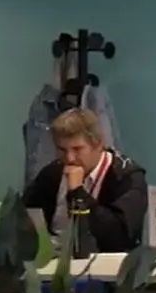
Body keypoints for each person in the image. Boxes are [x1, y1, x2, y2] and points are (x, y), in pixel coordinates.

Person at [22, 108, 148, 254]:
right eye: (62, 150)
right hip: (55, 261)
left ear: (99, 145)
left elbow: (120, 236)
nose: (70, 158)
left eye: (77, 149)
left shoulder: (127, 176)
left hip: (106, 262)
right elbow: (25, 213)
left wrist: (77, 193)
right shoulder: (52, 173)